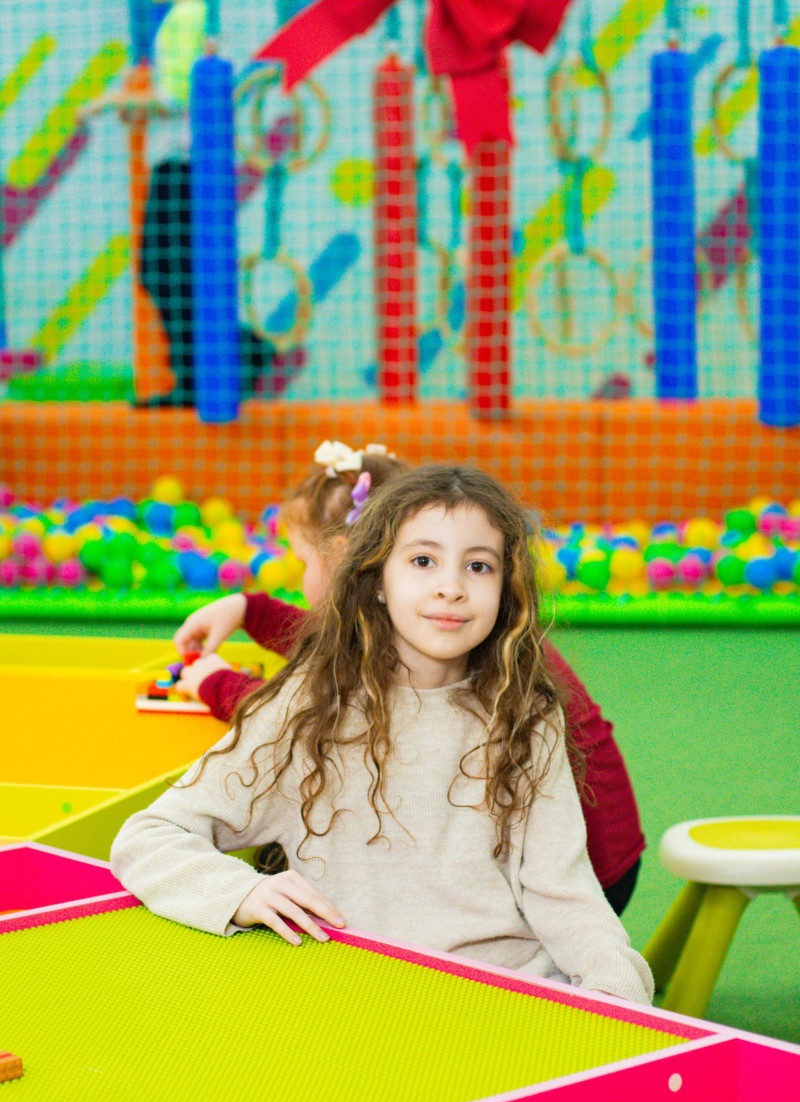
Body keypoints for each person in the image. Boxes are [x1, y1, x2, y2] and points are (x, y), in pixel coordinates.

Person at [111, 465, 653, 1005]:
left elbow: (563, 892)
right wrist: (241, 891)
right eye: (423, 561)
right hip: (358, 995)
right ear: (376, 583)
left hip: (504, 993)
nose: (451, 587)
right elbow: (150, 837)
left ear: (505, 591)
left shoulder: (529, 715)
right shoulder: (306, 709)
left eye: (479, 566)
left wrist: (616, 984)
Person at [174, 442, 645, 915]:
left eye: (303, 562)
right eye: (424, 561)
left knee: (293, 850)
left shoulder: (463, 640)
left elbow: (315, 714)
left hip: (570, 878)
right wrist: (249, 609)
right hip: (601, 856)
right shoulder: (467, 622)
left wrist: (216, 683)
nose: (448, 586)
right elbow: (331, 643)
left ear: (345, 558)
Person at [79, 0, 273, 407]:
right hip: (189, 161)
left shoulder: (188, 15)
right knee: (178, 272)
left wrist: (111, 101)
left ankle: (231, 358)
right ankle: (217, 365)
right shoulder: (190, 14)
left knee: (164, 271)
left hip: (184, 164)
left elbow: (179, 98)